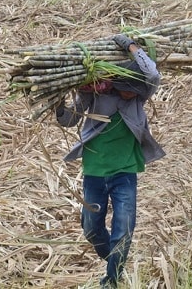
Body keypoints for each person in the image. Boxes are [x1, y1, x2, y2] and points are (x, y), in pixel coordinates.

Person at [55, 34, 166, 288]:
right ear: (115, 81)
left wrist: (130, 46)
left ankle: (112, 279)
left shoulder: (138, 97)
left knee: (124, 228)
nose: (131, 94)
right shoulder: (95, 94)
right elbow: (68, 120)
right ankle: (114, 260)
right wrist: (57, 103)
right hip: (94, 171)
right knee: (92, 229)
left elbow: (153, 75)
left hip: (125, 172)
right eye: (127, 88)